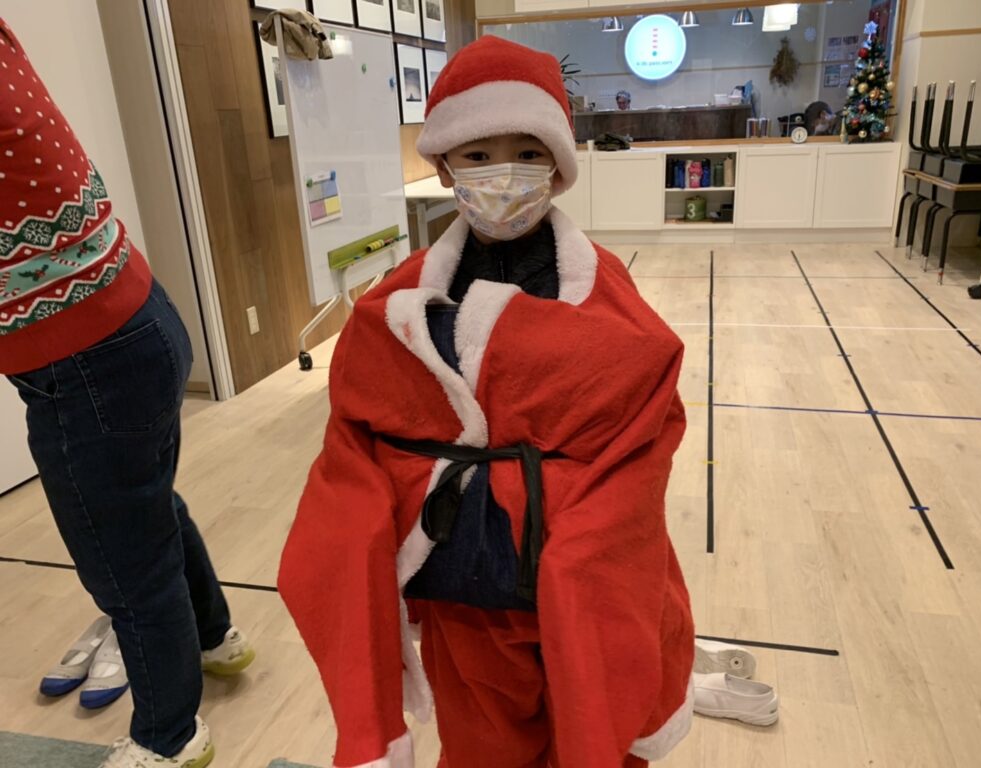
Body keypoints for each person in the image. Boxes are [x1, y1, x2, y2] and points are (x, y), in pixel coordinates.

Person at [279, 36, 695, 768]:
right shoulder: (396, 307)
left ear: (557, 167)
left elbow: (641, 435)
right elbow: (358, 440)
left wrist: (577, 538)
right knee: (482, 743)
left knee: (595, 721)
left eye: (527, 153)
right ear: (444, 166)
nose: (504, 174)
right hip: (463, 583)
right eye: (479, 154)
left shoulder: (612, 304)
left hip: (578, 576)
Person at [0, 19, 253, 768]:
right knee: (148, 511)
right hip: (133, 320)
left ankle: (169, 738)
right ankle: (214, 638)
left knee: (124, 564)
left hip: (86, 361)